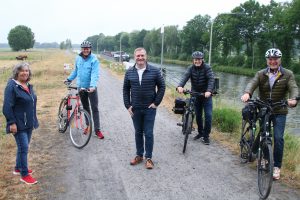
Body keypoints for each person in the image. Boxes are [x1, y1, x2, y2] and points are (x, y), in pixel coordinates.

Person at [241, 48, 298, 180]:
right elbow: (252, 83)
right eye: (270, 59)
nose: (273, 61)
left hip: (280, 110)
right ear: (267, 61)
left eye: (275, 59)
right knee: (264, 135)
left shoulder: (288, 74)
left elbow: (293, 87)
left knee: (278, 138)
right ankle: (265, 159)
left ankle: (277, 167)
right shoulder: (261, 74)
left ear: (280, 60)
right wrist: (247, 93)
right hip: (264, 109)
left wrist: (294, 99)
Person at [123, 47, 165, 169]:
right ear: (134, 57)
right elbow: (126, 89)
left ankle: (149, 158)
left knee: (149, 133)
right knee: (138, 132)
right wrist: (128, 105)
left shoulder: (155, 71)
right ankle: (139, 155)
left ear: (146, 57)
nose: (140, 58)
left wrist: (156, 103)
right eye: (138, 56)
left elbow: (162, 86)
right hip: (135, 108)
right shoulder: (129, 72)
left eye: (142, 56)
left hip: (149, 109)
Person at [2, 62, 39, 185]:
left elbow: (31, 103)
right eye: (22, 70)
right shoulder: (12, 86)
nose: (25, 73)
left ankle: (18, 168)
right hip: (18, 124)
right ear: (17, 72)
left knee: (22, 147)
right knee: (24, 148)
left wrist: (34, 120)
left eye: (27, 71)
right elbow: (7, 107)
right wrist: (11, 123)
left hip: (28, 122)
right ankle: (24, 174)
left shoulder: (27, 85)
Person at [65, 40, 104, 139]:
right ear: (81, 49)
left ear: (90, 49)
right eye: (84, 48)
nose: (85, 50)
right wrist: (69, 79)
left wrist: (92, 86)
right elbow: (76, 71)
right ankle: (88, 126)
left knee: (94, 108)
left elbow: (95, 74)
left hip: (91, 88)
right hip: (81, 87)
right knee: (86, 108)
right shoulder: (78, 58)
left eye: (87, 48)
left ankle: (97, 130)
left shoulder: (94, 59)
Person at [177, 51, 215, 145]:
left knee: (208, 116)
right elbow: (184, 77)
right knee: (198, 116)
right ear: (193, 60)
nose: (197, 61)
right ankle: (200, 133)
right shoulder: (191, 68)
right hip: (195, 94)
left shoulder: (207, 68)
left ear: (202, 59)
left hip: (206, 95)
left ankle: (206, 136)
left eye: (199, 59)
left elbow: (211, 79)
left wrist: (209, 91)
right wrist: (180, 86)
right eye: (195, 59)